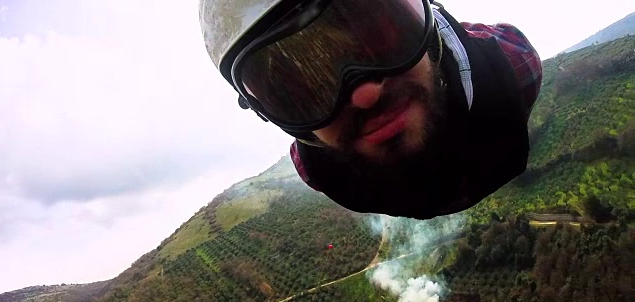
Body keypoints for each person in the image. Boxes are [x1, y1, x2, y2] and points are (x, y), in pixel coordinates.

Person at [199, 0, 542, 220]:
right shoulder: (515, 70)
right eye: (303, 88)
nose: (364, 95)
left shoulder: (515, 65)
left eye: (380, 35)